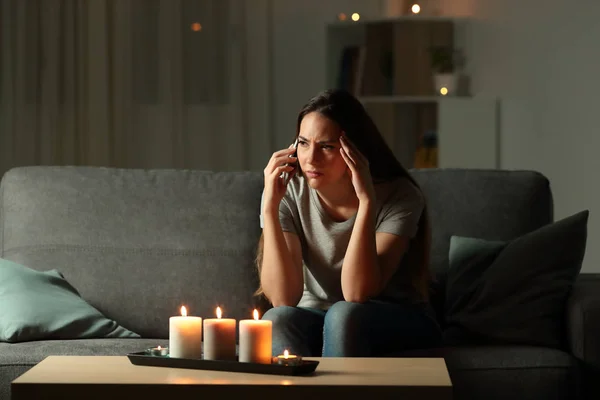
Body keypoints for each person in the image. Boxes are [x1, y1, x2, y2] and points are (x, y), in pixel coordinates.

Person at [256, 89, 442, 357]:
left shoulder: (400, 196)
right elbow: (283, 299)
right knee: (277, 319)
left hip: (394, 316)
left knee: (344, 314)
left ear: (355, 150)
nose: (310, 158)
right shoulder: (289, 191)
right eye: (304, 143)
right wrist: (270, 208)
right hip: (316, 314)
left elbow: (357, 292)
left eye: (327, 147)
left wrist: (366, 201)